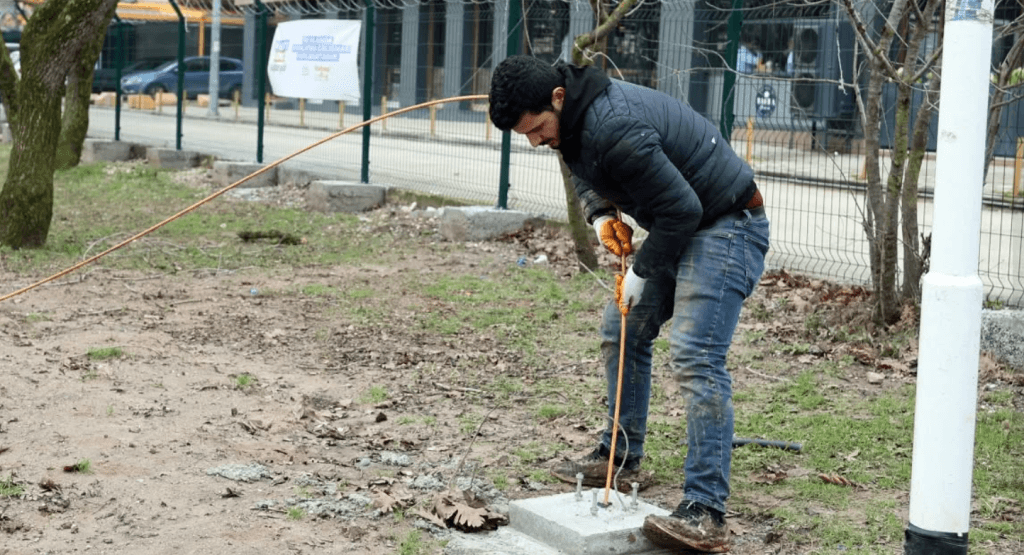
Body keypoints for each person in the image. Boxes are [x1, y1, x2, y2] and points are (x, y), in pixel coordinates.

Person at [489, 55, 769, 553]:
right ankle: (618, 456)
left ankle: (706, 510)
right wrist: (600, 215)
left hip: (726, 224)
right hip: (681, 223)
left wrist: (641, 272)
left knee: (695, 355)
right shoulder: (570, 119)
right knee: (622, 330)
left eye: (535, 130)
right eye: (526, 136)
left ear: (557, 98)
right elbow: (579, 164)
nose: (534, 141)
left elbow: (683, 208)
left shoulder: (613, 123)